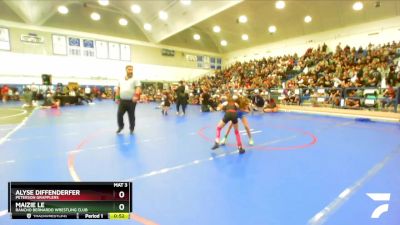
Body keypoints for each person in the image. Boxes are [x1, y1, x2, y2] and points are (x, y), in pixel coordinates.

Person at [115, 65, 141, 135]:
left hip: (131, 101)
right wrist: (117, 97)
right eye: (129, 70)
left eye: (131, 70)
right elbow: (118, 88)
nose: (131, 71)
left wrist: (136, 96)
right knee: (119, 114)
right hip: (122, 100)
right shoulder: (121, 79)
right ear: (126, 70)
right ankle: (121, 127)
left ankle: (132, 128)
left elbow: (138, 88)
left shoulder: (135, 79)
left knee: (131, 116)